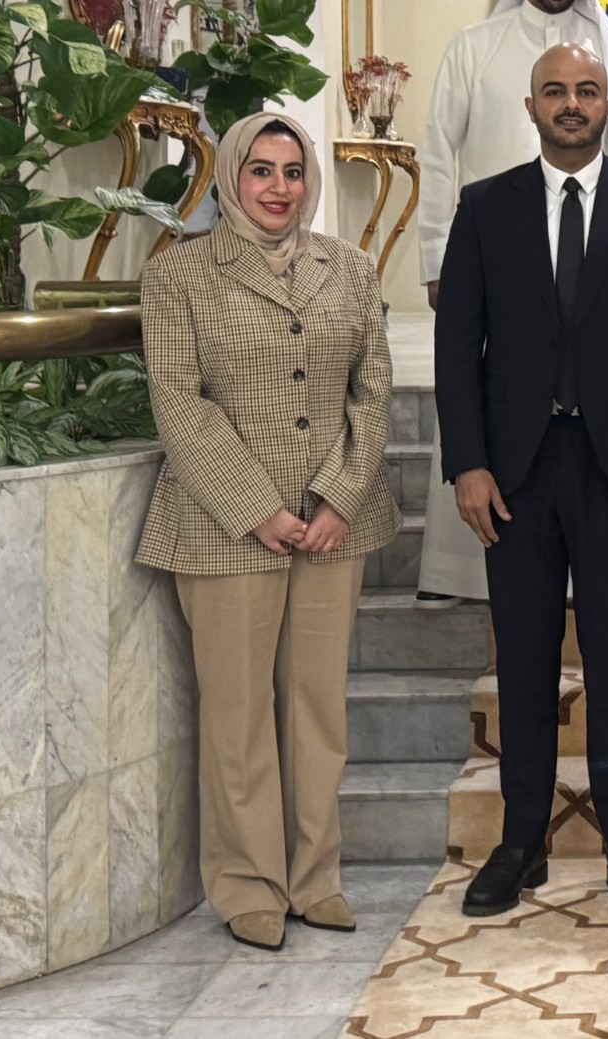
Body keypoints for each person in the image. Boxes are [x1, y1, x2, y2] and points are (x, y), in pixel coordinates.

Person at [435, 42, 608, 919]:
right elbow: (457, 346)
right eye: (554, 90)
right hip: (514, 473)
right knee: (522, 662)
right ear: (531, 106)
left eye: (587, 90)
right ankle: (521, 841)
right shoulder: (486, 206)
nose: (571, 103)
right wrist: (467, 461)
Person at [135, 112, 398, 952]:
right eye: (260, 170)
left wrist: (339, 496)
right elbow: (179, 401)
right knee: (240, 710)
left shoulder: (351, 269)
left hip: (331, 527)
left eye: (292, 171)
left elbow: (373, 391)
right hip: (224, 527)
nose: (279, 187)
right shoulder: (177, 274)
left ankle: (315, 875)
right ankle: (249, 884)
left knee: (317, 707)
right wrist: (259, 507)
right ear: (231, 178)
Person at [417, 0, 608, 608]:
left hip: (589, 268)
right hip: (493, 260)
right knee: (485, 393)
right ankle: (463, 571)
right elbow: (438, 152)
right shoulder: (474, 45)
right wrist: (436, 257)